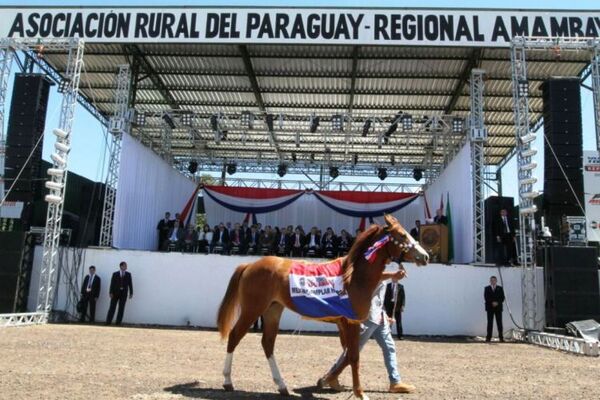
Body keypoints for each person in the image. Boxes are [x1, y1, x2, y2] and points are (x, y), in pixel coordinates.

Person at [318, 265, 416, 394]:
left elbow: (378, 297)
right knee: (352, 351)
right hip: (368, 317)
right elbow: (374, 277)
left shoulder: (380, 270)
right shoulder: (369, 269)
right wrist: (393, 274)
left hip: (379, 317)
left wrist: (384, 314)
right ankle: (331, 376)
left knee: (389, 347)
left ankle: (395, 382)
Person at [106, 261, 133, 326]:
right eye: (124, 265)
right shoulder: (115, 274)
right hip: (115, 293)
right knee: (112, 308)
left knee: (121, 308)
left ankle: (118, 323)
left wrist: (131, 292)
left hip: (123, 294)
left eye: (126, 266)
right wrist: (110, 292)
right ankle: (108, 322)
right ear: (121, 266)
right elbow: (112, 283)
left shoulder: (128, 274)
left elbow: (130, 284)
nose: (126, 267)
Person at [484, 276, 505, 342]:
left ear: (496, 281)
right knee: (490, 323)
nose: (493, 281)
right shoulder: (487, 288)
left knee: (499, 323)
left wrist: (497, 303)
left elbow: (502, 298)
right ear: (490, 281)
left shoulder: (500, 288)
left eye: (494, 280)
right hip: (490, 308)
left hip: (498, 308)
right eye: (492, 280)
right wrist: (492, 302)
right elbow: (486, 297)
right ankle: (488, 337)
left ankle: (501, 338)